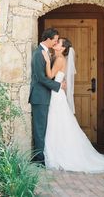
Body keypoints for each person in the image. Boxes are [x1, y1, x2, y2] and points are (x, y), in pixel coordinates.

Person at [42, 38, 104, 173]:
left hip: (56, 95)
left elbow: (50, 74)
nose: (56, 43)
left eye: (59, 42)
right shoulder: (58, 57)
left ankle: (59, 154)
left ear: (63, 48)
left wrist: (46, 61)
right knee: (59, 123)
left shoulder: (59, 59)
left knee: (57, 122)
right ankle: (58, 151)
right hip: (57, 93)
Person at [28, 28, 66, 165]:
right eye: (55, 40)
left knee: (43, 127)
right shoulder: (39, 54)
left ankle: (41, 156)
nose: (56, 42)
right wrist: (58, 86)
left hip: (45, 96)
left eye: (57, 41)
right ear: (48, 39)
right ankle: (39, 160)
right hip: (39, 96)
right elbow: (41, 78)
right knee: (39, 128)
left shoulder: (46, 52)